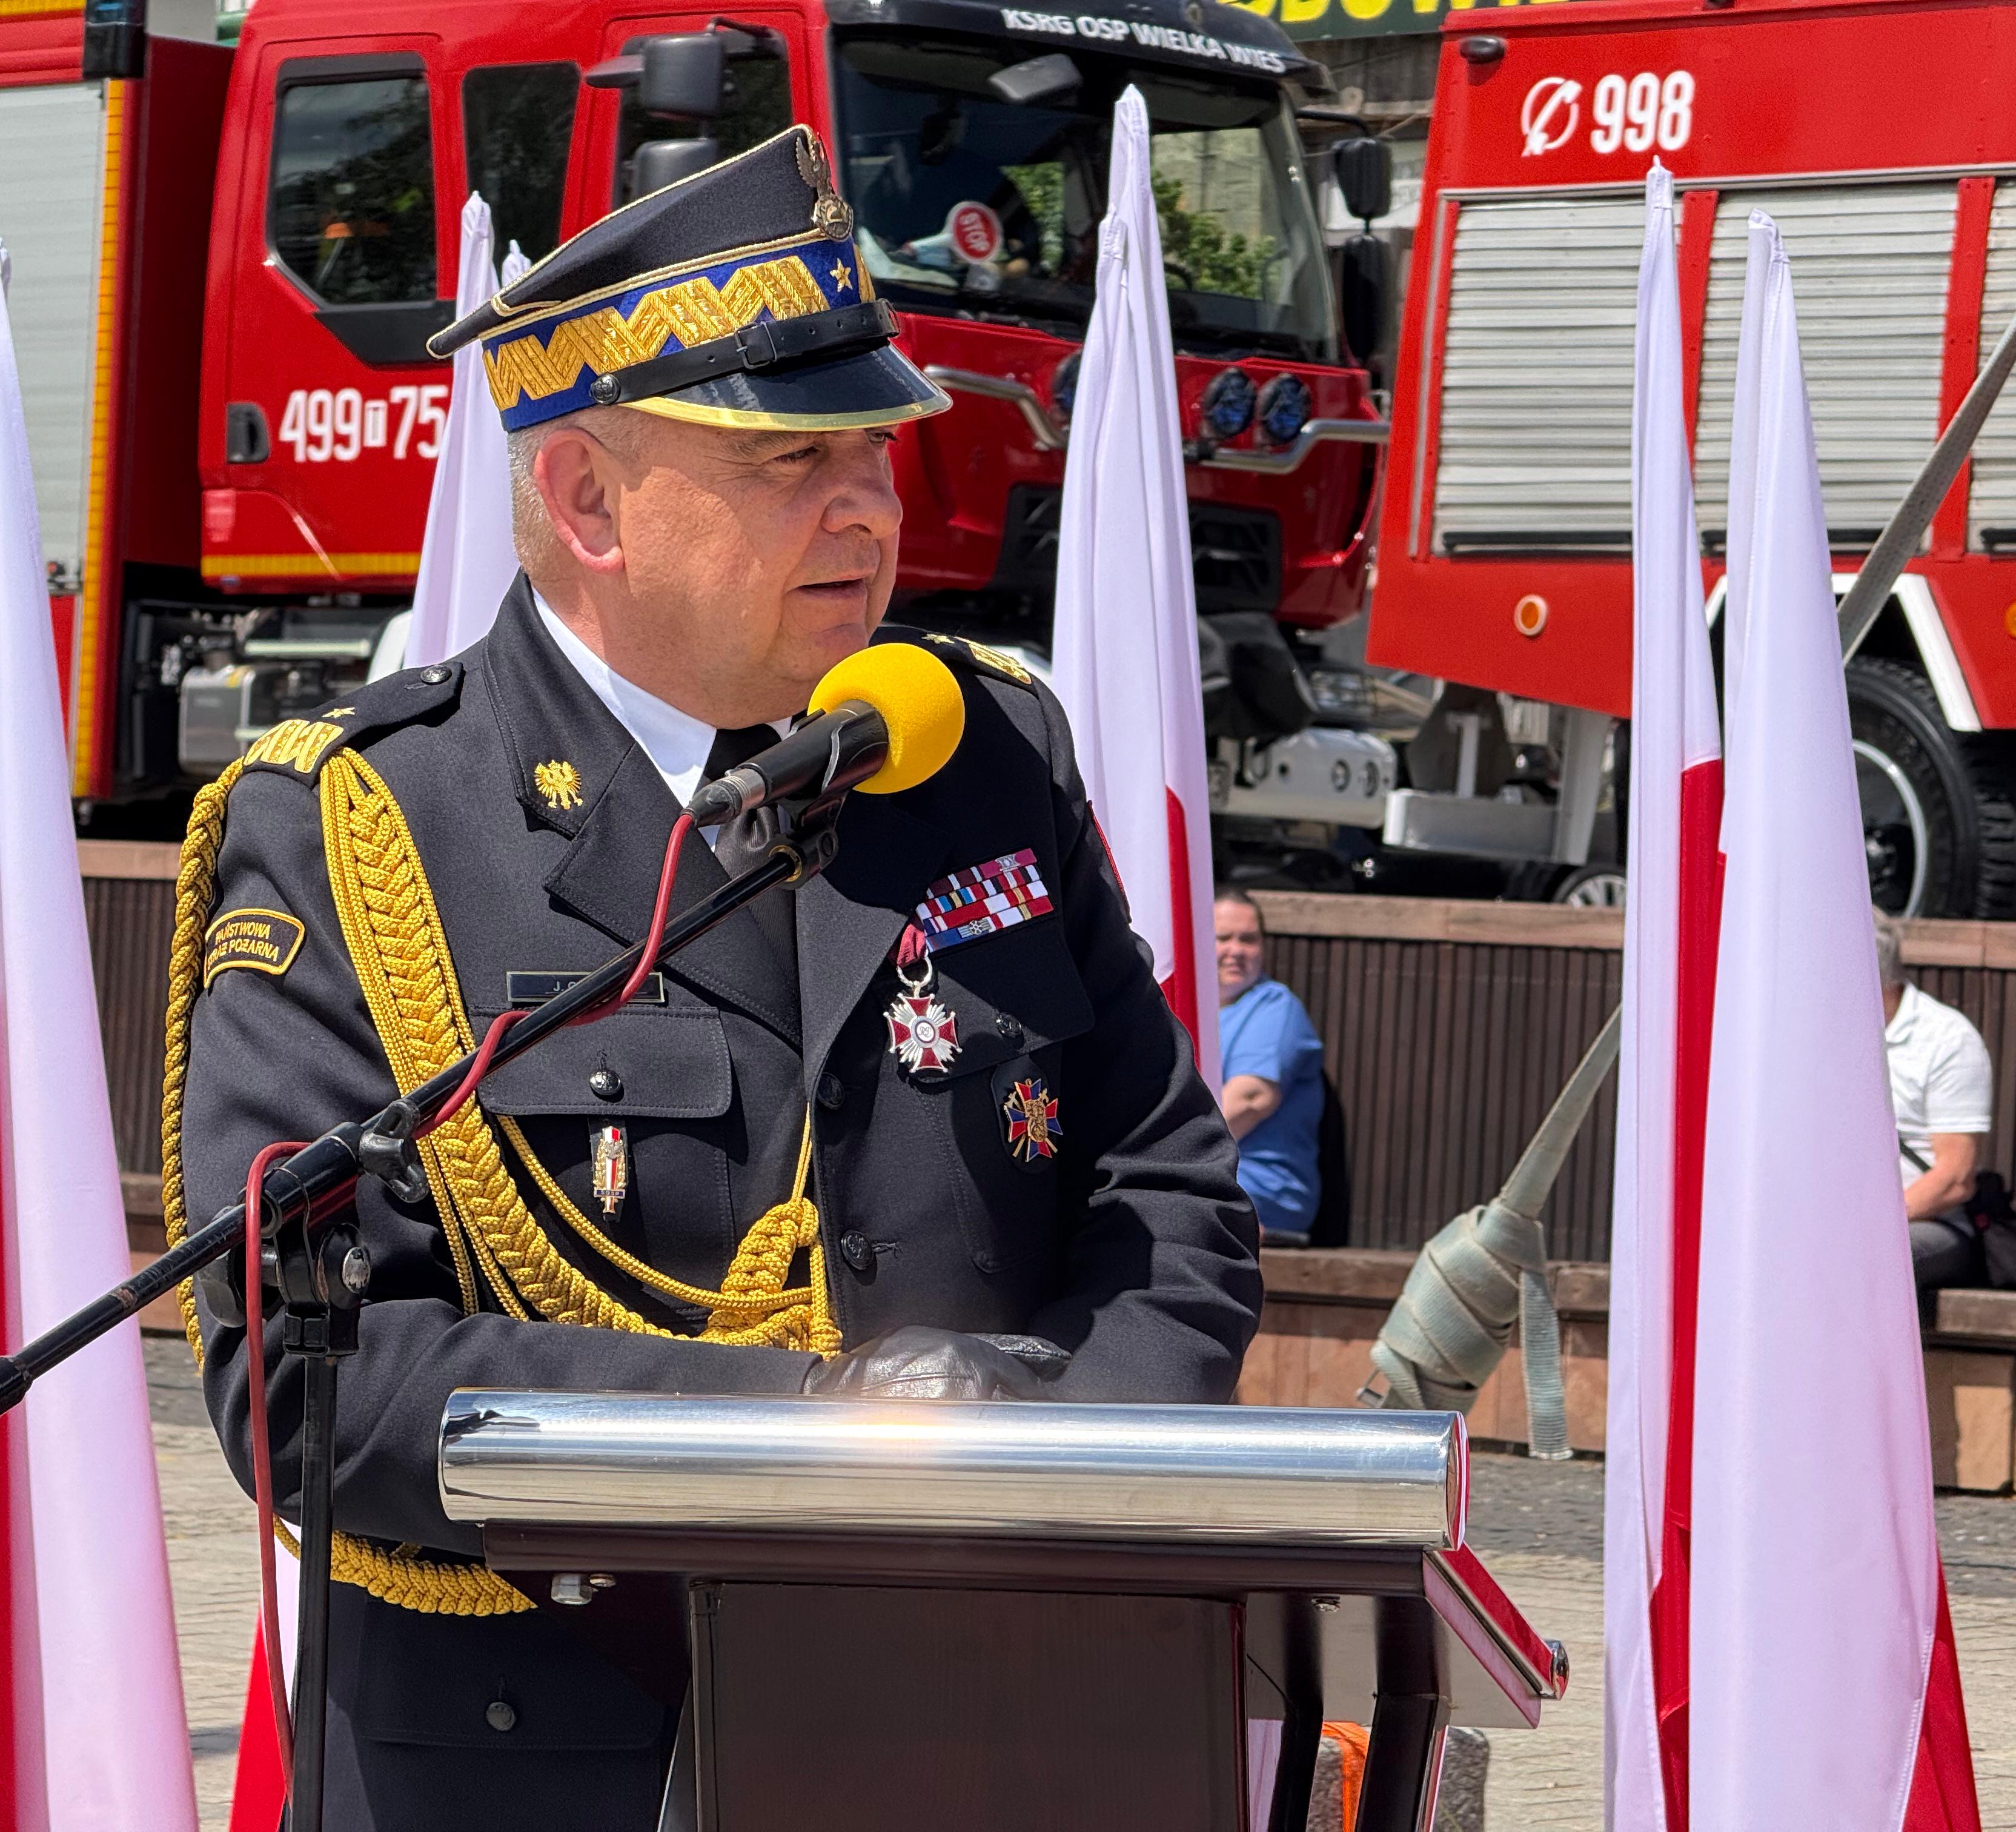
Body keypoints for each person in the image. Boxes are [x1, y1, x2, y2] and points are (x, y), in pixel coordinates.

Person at [168, 127, 1259, 1831]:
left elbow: (1165, 1197)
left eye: (875, 449)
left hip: (994, 1715)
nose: (870, 507)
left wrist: (1044, 1475)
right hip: (551, 1770)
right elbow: (316, 1376)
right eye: (791, 458)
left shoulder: (982, 755)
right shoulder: (363, 823)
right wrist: (827, 1439)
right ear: (588, 501)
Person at [1877, 908, 1993, 1289]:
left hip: (1926, 1223)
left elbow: (1955, 1179)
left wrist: (1867, 1226)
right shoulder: (1816, 1034)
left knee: (1863, 1256)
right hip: (1829, 1223)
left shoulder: (1946, 1038)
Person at [1213, 885, 1325, 1247]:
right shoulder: (1182, 1006)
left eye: (1249, 940)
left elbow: (1249, 1101)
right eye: (1223, 938)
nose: (1236, 950)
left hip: (1261, 1189)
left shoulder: (1274, 1006)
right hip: (1208, 1176)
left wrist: (1165, 1158)